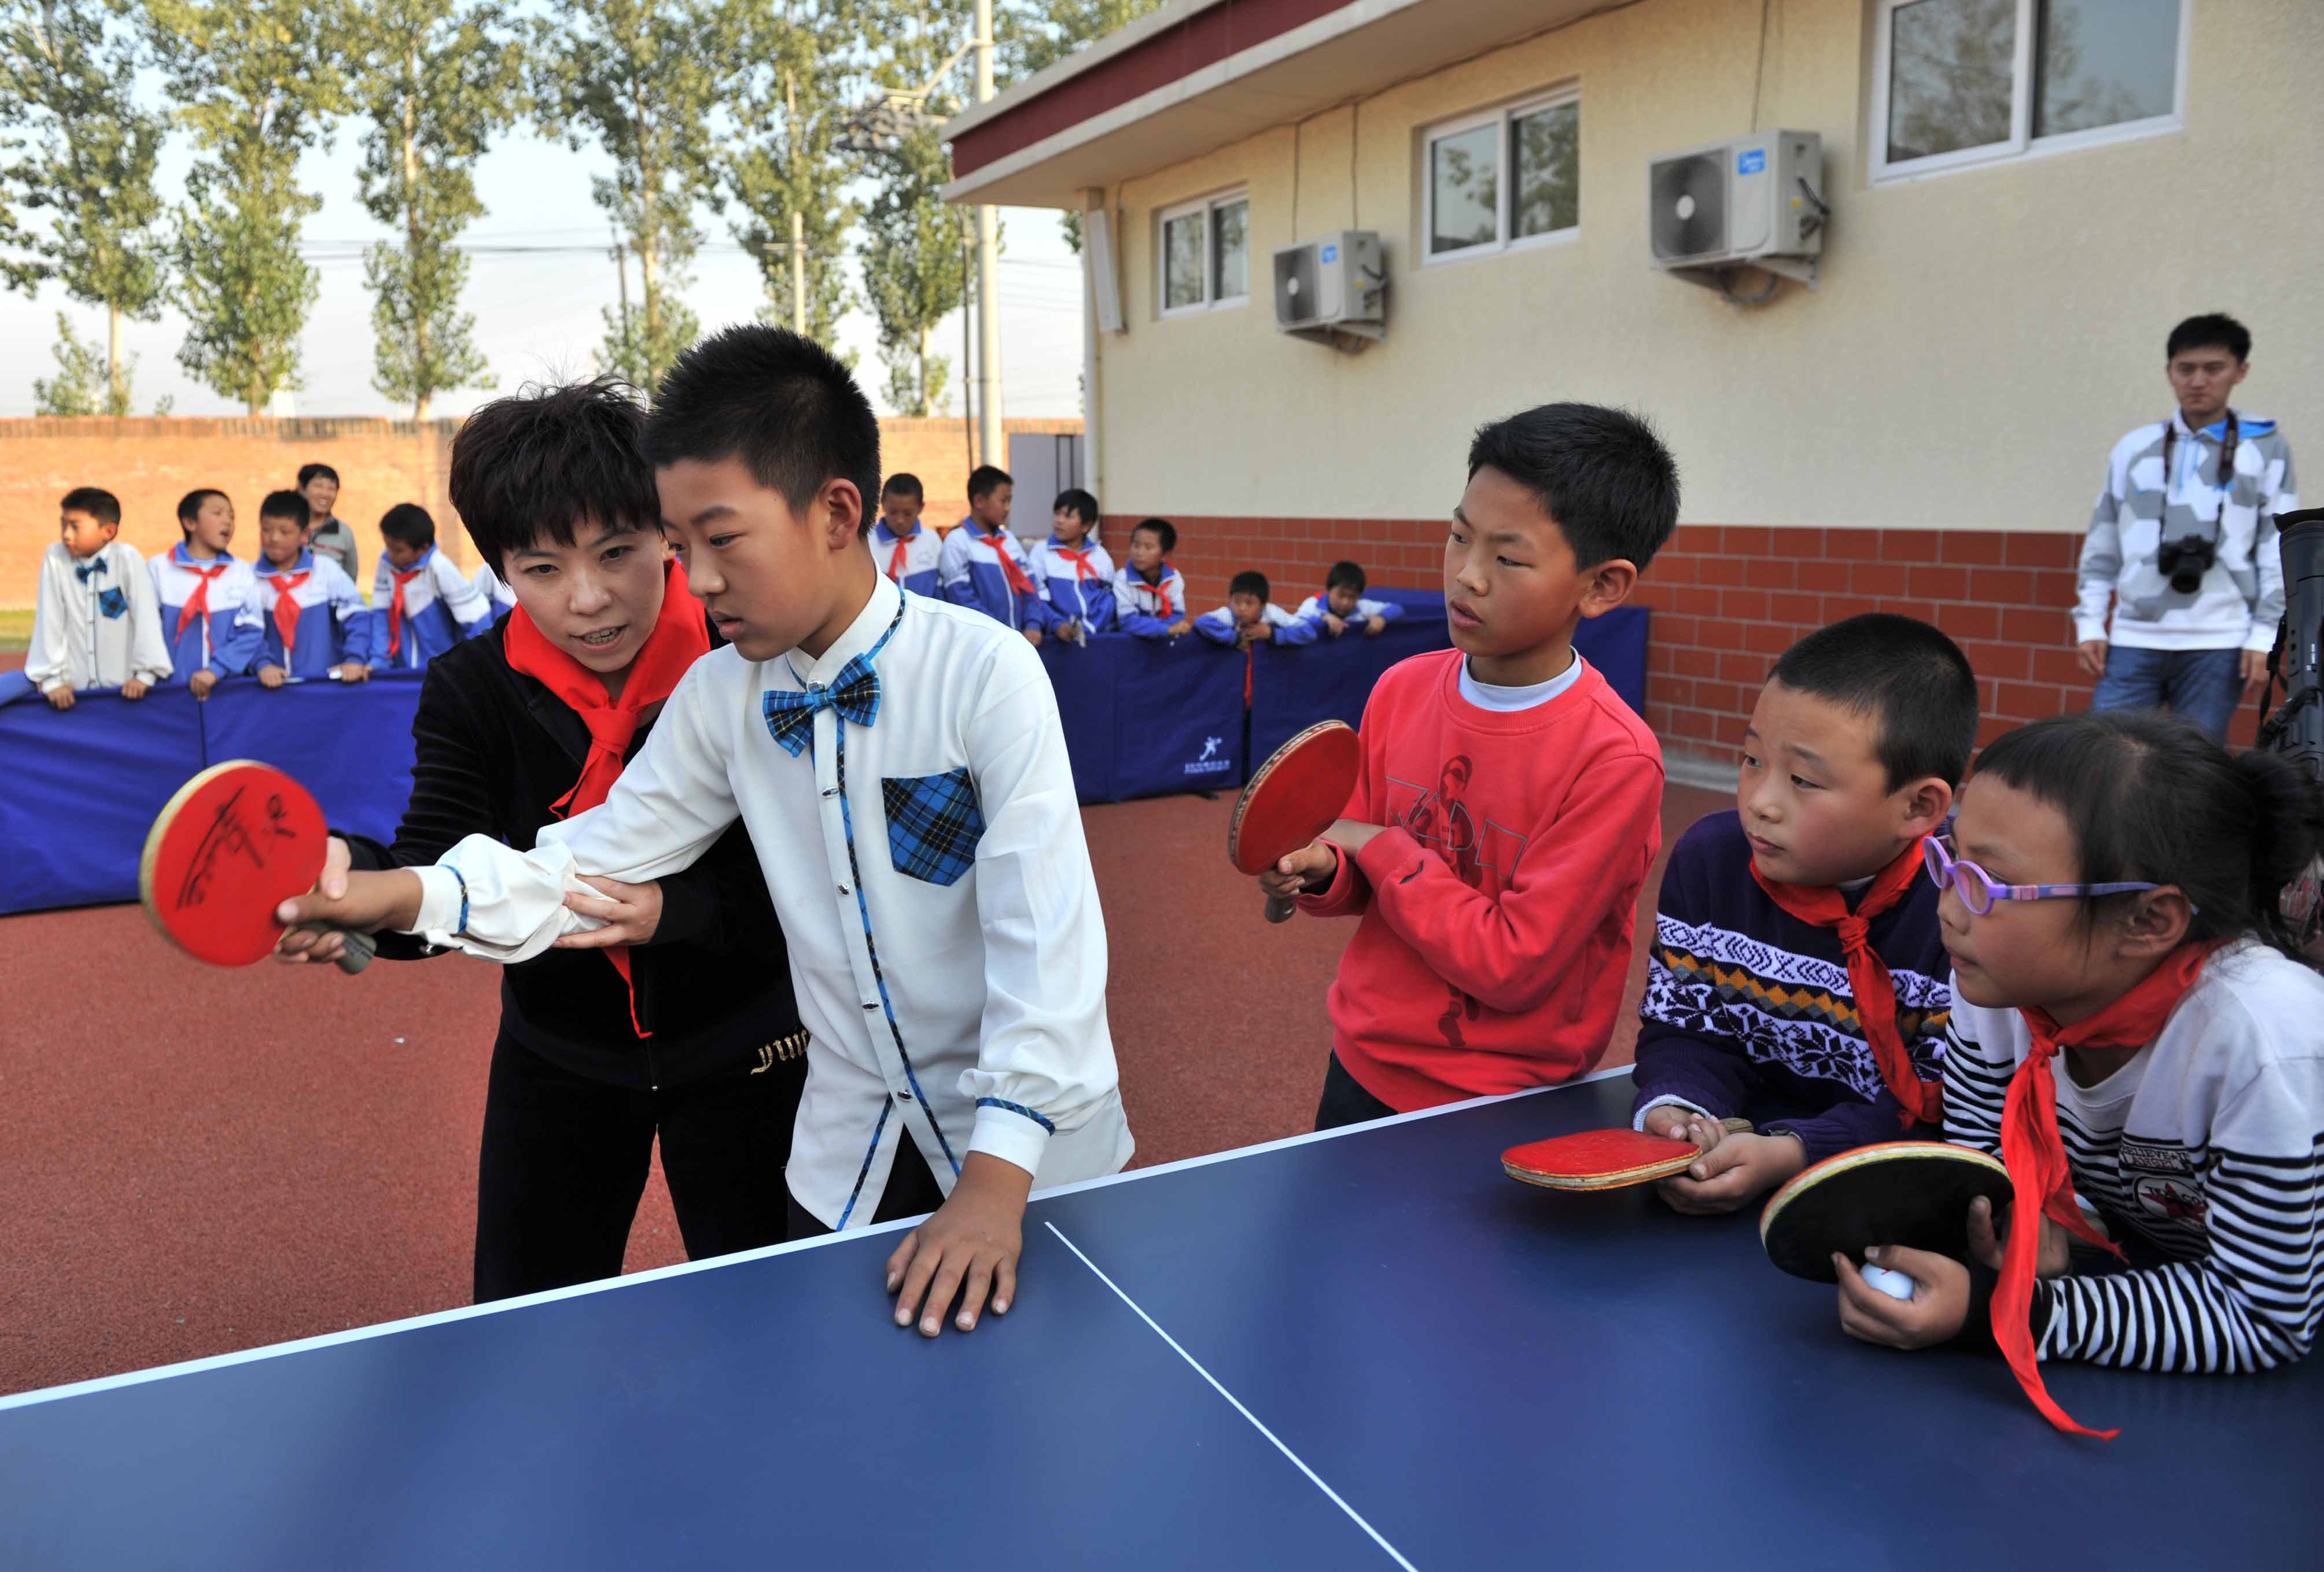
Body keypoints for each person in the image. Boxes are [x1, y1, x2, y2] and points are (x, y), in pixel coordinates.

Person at [279, 327, 1133, 1337]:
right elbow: (583, 855)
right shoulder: (720, 694)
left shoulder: (981, 672)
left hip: (993, 1148)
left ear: (836, 512)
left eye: (712, 542)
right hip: (829, 1153)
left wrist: (995, 1178)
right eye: (682, 548)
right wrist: (384, 892)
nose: (695, 580)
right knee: (780, 1383)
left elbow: (1047, 949)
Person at [274, 378, 810, 1303]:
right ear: (499, 569)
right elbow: (439, 872)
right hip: (560, 1055)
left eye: (618, 552)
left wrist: (676, 911)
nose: (588, 599)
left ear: (666, 536)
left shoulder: (751, 659)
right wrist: (352, 885)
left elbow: (816, 878)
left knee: (787, 1319)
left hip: (754, 1049)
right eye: (542, 568)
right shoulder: (471, 687)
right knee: (523, 1325)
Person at [1831, 710, 2324, 1434]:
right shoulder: (2000, 987)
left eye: (1989, 883)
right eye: (1951, 862)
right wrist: (2037, 1225)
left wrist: (2007, 1312)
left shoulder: (2262, 1043)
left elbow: (2263, 1314)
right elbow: (1986, 1164)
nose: (1948, 909)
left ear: (2148, 922)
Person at [1259, 403, 1677, 1126]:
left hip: (1505, 1101)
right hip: (1362, 1062)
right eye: (1459, 537)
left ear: (1602, 586)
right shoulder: (1401, 689)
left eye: (1508, 558)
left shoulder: (1616, 759)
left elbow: (1512, 966)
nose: (1467, 576)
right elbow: (1359, 868)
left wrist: (1377, 847)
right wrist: (1321, 868)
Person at [1630, 614, 1975, 1213]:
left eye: (1803, 780)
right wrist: (1681, 1112)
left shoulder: (1968, 911)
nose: (1760, 803)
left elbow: (1952, 1109)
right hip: (1755, 1136)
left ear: (1919, 806)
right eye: (1751, 760)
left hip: (1884, 1199)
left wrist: (1797, 1152)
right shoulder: (1712, 863)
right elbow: (1687, 1030)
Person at [2075, 313, 2300, 742]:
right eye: (2186, 369)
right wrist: (2090, 623)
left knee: (2195, 763)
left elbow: (2277, 544)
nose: (2198, 381)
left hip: (2220, 640)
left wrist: (2265, 634)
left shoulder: (2265, 447)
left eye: (2213, 369)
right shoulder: (2134, 447)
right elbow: (2104, 538)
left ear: (2240, 371)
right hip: (2134, 634)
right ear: (2169, 372)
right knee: (2105, 753)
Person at [26, 487, 171, 710]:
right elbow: (50, 618)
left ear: (109, 531)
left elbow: (146, 617)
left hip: (123, 692)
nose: (66, 534)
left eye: (75, 526)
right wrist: (52, 681)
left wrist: (145, 675)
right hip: (73, 695)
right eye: (63, 525)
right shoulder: (55, 557)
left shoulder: (127, 559)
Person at [250, 490, 375, 685]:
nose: (274, 538)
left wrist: (354, 659)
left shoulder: (326, 571)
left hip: (323, 688)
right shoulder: (249, 578)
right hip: (271, 689)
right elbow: (245, 632)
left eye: (285, 532)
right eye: (266, 530)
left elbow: (357, 619)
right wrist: (262, 664)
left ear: (305, 535)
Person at [150, 488, 260, 697]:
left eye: (232, 516)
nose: (228, 521)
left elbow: (252, 631)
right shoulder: (159, 568)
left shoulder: (241, 571)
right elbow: (146, 630)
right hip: (170, 693)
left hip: (227, 692)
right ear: (190, 523)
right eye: (218, 513)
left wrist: (216, 670)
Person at [371, 502, 492, 670]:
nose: (390, 554)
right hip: (402, 669)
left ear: (423, 549)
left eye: (398, 550)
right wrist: (379, 660)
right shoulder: (386, 563)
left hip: (442, 669)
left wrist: (474, 663)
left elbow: (475, 619)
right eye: (387, 546)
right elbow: (381, 615)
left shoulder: (440, 568)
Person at [938, 463, 1043, 640]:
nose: (1008, 508)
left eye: (1010, 501)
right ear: (979, 501)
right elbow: (962, 599)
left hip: (1017, 640)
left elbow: (1030, 586)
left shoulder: (1009, 540)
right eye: (1003, 500)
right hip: (983, 641)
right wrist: (1000, 633)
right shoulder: (957, 541)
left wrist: (1033, 624)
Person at [1026, 488, 1115, 644]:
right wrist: (1057, 624)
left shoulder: (1100, 555)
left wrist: (1096, 627)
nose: (1059, 521)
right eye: (1057, 514)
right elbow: (1036, 597)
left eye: (1068, 516)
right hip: (1056, 639)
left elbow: (1109, 599)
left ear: (1086, 526)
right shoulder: (1041, 552)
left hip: (1098, 638)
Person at [1194, 570, 1318, 648]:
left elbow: (1308, 632)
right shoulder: (1227, 614)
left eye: (1249, 603)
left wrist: (1272, 634)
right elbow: (1201, 622)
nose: (1242, 608)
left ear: (1263, 605)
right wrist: (1235, 638)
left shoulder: (1272, 613)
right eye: (1237, 601)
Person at [1113, 518, 1192, 640]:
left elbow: (1178, 615)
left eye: (1148, 548)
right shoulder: (1123, 578)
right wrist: (1167, 629)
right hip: (1131, 644)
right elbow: (1128, 622)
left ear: (1165, 555)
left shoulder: (1174, 577)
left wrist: (1159, 629)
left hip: (1161, 642)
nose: (1140, 552)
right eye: (1136, 545)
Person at [870, 473, 941, 597]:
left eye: (908, 513)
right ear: (883, 504)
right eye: (893, 512)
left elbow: (940, 591)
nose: (900, 520)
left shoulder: (932, 540)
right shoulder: (868, 542)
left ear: (921, 507)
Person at [1295, 560, 1404, 639]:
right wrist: (1323, 619)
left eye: (1352, 597)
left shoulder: (1363, 607)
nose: (1346, 602)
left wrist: (1382, 618)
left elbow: (1397, 609)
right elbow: (1295, 625)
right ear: (1328, 590)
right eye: (1341, 595)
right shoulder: (1312, 605)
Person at [299, 463, 359, 584]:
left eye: (331, 488)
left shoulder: (344, 533)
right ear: (302, 489)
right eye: (319, 486)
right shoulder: (286, 528)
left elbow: (350, 580)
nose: (325, 494)